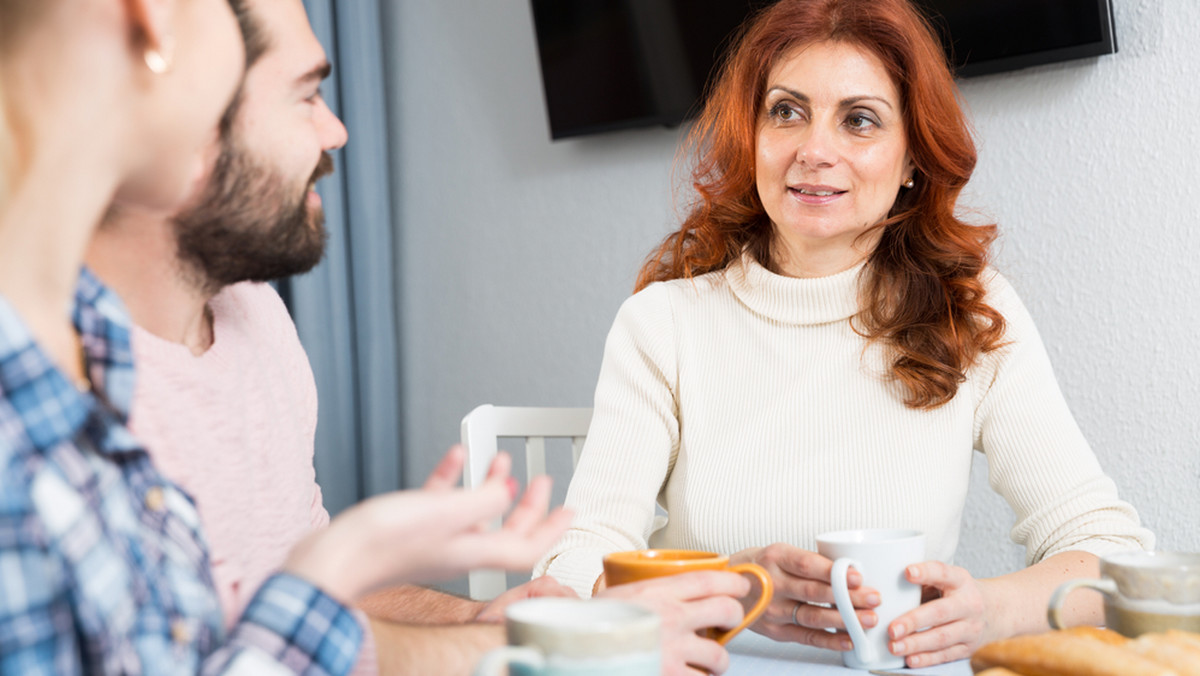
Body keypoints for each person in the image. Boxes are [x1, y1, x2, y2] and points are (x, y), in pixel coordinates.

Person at [83, 1, 753, 674]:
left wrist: (474, 616)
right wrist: (545, 648)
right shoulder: (58, 388)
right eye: (307, 95)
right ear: (187, 120)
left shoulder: (255, 315)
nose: (337, 130)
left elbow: (313, 608)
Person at [534, 0, 1155, 669]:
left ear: (913, 157)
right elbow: (576, 564)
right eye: (786, 111)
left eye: (859, 120)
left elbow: (1111, 550)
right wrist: (731, 591)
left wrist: (990, 611)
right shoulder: (663, 324)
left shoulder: (968, 312)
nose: (814, 151)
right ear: (753, 136)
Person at [0, 0, 571, 672]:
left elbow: (208, 641)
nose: (336, 131)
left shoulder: (105, 352)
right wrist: (495, 646)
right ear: (153, 19)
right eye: (306, 93)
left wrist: (435, 601)